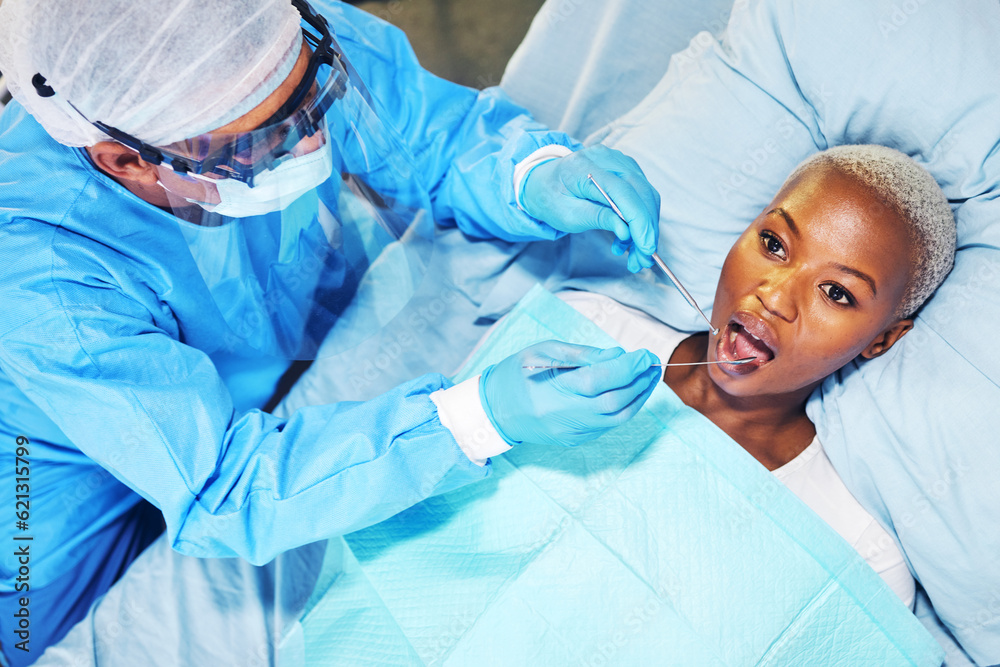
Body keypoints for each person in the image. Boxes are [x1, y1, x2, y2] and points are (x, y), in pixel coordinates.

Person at [0, 0, 666, 660]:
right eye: (261, 142)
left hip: (282, 362)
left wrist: (528, 174)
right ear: (126, 161)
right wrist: (471, 419)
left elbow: (429, 135)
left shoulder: (261, 38)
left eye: (311, 99)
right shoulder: (43, 274)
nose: (315, 142)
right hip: (61, 513)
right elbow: (221, 487)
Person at [557, 143, 955, 606]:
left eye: (836, 292)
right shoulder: (578, 331)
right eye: (773, 244)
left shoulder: (857, 560)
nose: (775, 297)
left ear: (881, 340)